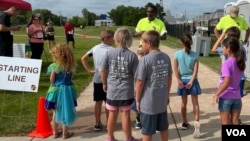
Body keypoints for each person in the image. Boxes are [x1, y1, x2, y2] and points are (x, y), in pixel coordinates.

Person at [100, 27, 140, 141]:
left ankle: (110, 137)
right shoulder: (132, 55)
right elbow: (137, 75)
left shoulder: (109, 53)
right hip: (126, 90)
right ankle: (128, 138)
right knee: (125, 114)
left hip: (112, 89)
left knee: (112, 113)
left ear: (116, 39)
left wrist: (104, 83)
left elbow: (103, 70)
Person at [135, 30, 172, 141]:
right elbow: (169, 77)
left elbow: (140, 82)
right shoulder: (166, 57)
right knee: (163, 128)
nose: (142, 45)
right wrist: (167, 93)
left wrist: (137, 99)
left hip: (148, 104)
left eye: (143, 42)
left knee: (147, 131)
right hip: (161, 101)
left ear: (149, 43)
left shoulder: (145, 60)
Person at [81, 29, 115, 131]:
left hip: (97, 79)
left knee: (98, 102)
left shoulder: (95, 48)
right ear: (106, 39)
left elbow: (83, 58)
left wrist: (88, 69)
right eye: (112, 38)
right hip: (109, 80)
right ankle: (109, 123)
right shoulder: (112, 50)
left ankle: (97, 123)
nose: (114, 40)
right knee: (108, 103)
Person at [212, 37, 245, 136]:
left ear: (228, 48)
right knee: (235, 123)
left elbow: (226, 82)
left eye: (223, 47)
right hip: (237, 97)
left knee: (225, 125)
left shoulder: (227, 64)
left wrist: (216, 94)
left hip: (226, 98)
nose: (222, 49)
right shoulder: (240, 62)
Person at [45, 43, 77, 139]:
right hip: (67, 92)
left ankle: (55, 132)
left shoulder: (54, 66)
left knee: (56, 112)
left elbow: (52, 80)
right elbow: (70, 79)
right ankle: (65, 133)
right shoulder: (70, 66)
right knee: (65, 110)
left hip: (55, 92)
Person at [173, 34, 201, 138]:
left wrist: (179, 80)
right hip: (192, 81)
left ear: (181, 42)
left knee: (183, 102)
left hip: (182, 81)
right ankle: (196, 121)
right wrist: (192, 81)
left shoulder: (177, 54)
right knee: (195, 103)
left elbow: (175, 69)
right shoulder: (195, 55)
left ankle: (184, 122)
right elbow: (195, 71)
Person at [132, 47, 146, 129]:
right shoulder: (144, 62)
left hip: (137, 87)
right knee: (141, 105)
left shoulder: (136, 63)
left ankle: (139, 122)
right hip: (142, 87)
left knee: (137, 105)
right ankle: (141, 121)